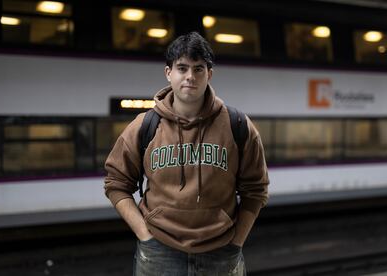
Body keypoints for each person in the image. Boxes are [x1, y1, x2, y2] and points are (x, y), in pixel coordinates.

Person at [104, 31, 269, 276]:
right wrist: (145, 236)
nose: (190, 77)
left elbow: (256, 189)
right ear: (168, 72)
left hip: (221, 250)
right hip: (159, 251)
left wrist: (237, 242)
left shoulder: (238, 125)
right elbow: (116, 183)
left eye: (198, 69)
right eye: (182, 68)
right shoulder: (144, 126)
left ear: (209, 74)